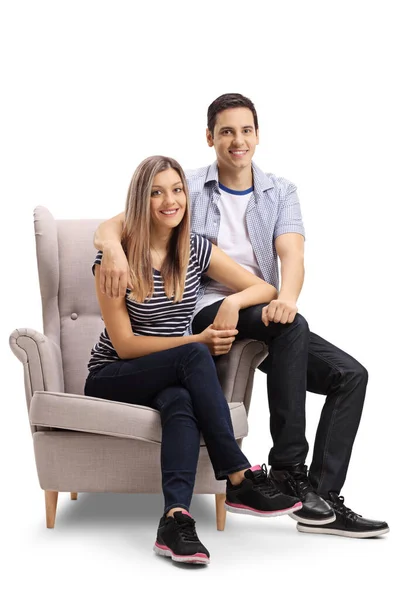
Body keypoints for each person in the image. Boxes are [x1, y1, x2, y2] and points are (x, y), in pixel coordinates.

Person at [93, 94, 390, 539]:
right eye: (226, 131)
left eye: (246, 130)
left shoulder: (280, 191)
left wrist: (280, 298)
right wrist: (113, 250)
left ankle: (319, 500)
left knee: (351, 375)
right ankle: (283, 469)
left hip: (255, 304)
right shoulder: (185, 184)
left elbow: (292, 255)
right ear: (210, 137)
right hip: (197, 312)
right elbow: (118, 223)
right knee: (282, 330)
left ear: (258, 135)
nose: (238, 140)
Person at [85, 155, 302, 566]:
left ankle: (174, 520)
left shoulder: (196, 249)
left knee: (181, 403)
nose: (171, 200)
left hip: (168, 374)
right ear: (140, 200)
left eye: (178, 189)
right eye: (156, 192)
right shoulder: (114, 261)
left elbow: (265, 287)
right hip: (113, 374)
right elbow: (126, 345)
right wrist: (197, 340)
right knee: (192, 353)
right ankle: (237, 475)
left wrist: (233, 303)